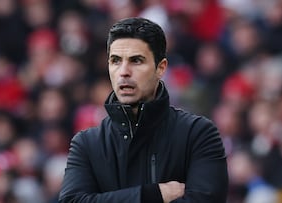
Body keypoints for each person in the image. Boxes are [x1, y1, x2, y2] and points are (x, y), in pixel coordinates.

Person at [59, 17, 228, 203]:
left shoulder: (198, 133)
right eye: (115, 61)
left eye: (136, 61)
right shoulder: (86, 144)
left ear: (160, 68)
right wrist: (152, 195)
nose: (123, 71)